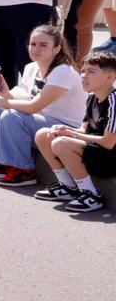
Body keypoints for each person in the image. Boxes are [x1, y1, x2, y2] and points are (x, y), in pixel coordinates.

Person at [0, 24, 84, 188]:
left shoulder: (63, 72)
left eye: (43, 45)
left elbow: (33, 107)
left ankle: (24, 170)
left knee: (11, 116)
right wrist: (6, 95)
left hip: (66, 128)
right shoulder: (31, 67)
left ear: (56, 49)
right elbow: (26, 97)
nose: (36, 49)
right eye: (33, 44)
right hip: (41, 121)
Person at [33, 49, 116, 213]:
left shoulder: (114, 101)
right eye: (83, 71)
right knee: (44, 135)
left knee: (62, 143)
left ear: (109, 77)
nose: (83, 76)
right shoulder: (92, 97)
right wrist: (66, 130)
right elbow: (83, 129)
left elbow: (108, 143)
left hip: (112, 158)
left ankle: (91, 195)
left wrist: (72, 135)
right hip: (97, 151)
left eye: (91, 72)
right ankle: (68, 187)